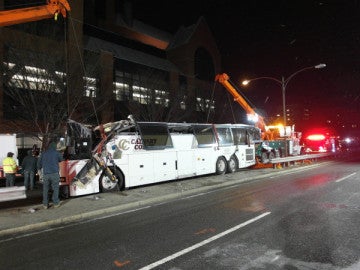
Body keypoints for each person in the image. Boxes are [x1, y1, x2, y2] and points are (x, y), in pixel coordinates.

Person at [37, 142, 64, 209]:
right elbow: (61, 159)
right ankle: (56, 203)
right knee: (55, 188)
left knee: (45, 189)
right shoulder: (57, 153)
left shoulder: (43, 153)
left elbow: (39, 163)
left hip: (46, 174)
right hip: (54, 173)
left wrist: (39, 169)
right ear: (55, 146)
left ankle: (45, 204)